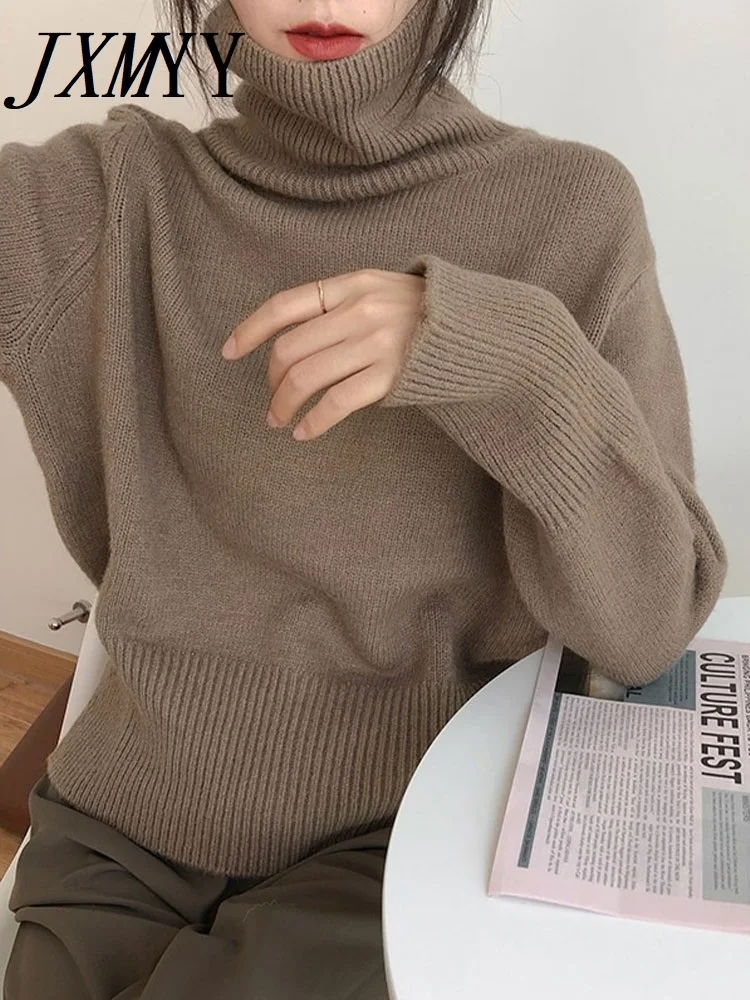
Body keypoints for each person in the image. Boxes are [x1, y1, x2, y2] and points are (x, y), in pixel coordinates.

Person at [0, 0, 728, 996]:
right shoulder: (106, 196)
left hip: (400, 840)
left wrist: (510, 358)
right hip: (118, 833)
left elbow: (647, 627)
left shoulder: (572, 211)